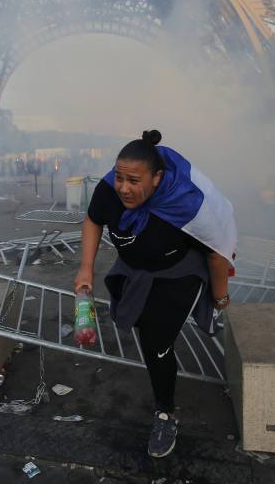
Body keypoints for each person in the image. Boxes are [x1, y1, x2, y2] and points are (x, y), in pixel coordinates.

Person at [73, 129, 237, 458]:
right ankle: (161, 353)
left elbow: (217, 255)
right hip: (136, 268)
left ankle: (165, 414)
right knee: (139, 323)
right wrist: (86, 268)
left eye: (134, 180)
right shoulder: (109, 191)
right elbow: (93, 220)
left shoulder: (188, 205)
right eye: (119, 177)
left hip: (181, 271)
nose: (124, 188)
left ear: (158, 178)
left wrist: (219, 300)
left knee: (155, 339)